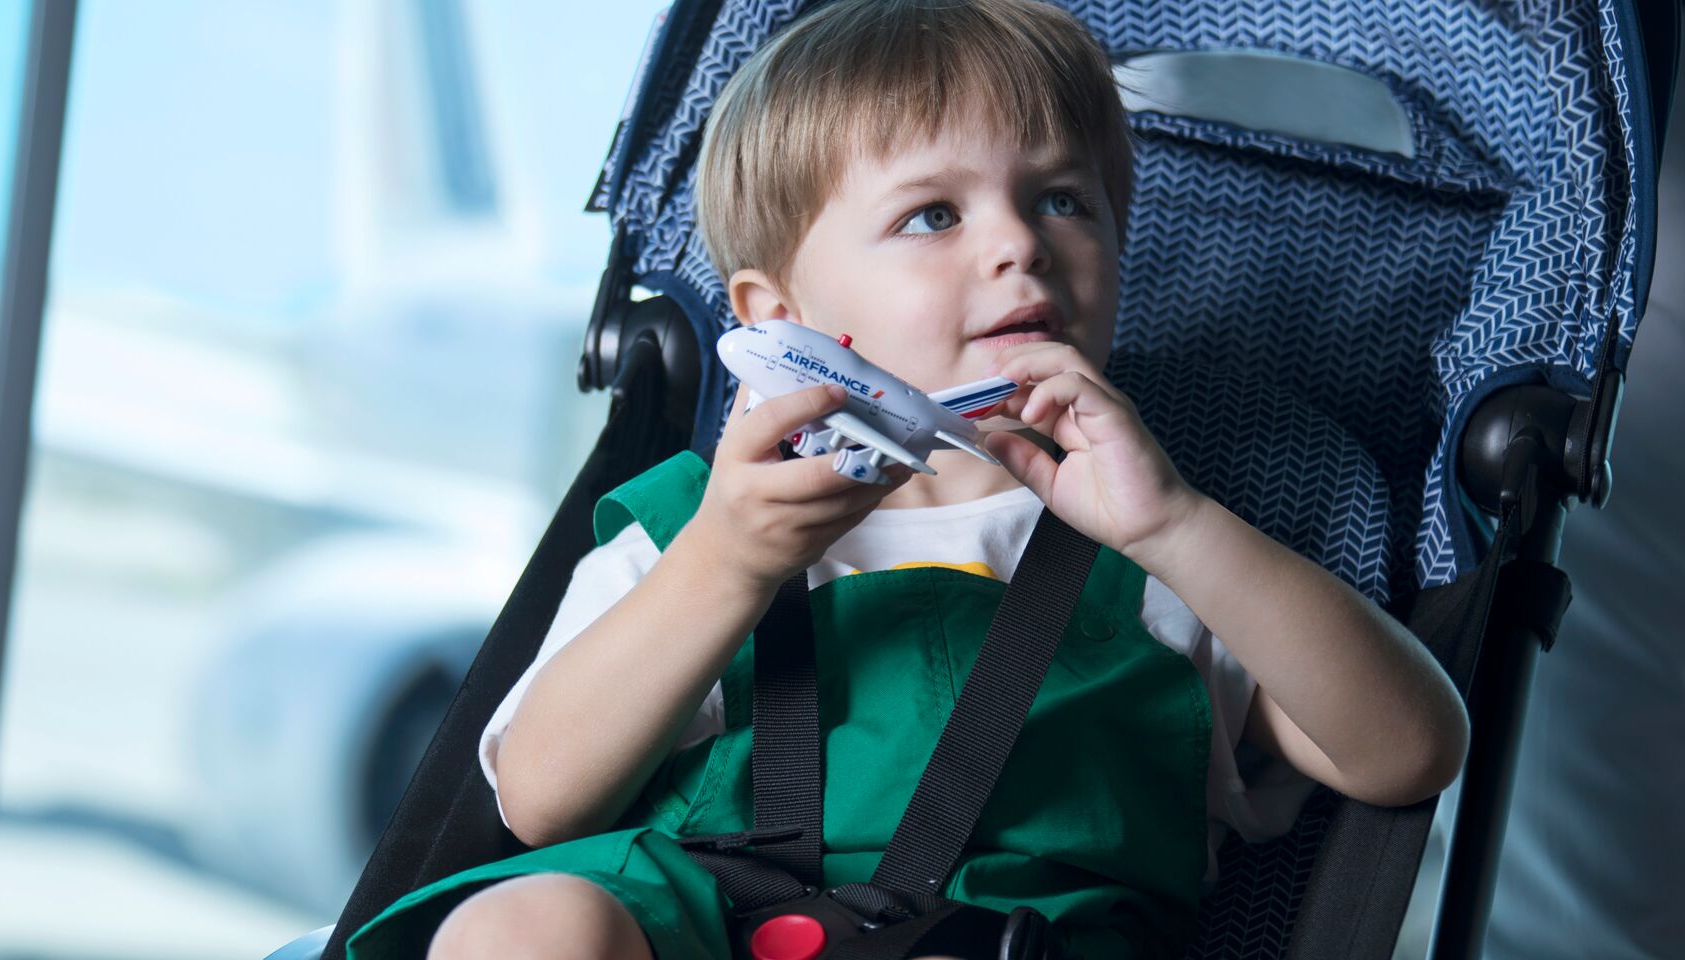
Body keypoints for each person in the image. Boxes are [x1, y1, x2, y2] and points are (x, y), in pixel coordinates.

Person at [347, 1, 1468, 957]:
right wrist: (726, 564)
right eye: (933, 214)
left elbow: (1408, 753)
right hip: (682, 910)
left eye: (1064, 200)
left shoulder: (1174, 559)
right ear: (780, 321)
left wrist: (1175, 527)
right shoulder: (689, 528)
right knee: (523, 927)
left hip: (1004, 932)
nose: (1018, 247)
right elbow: (539, 801)